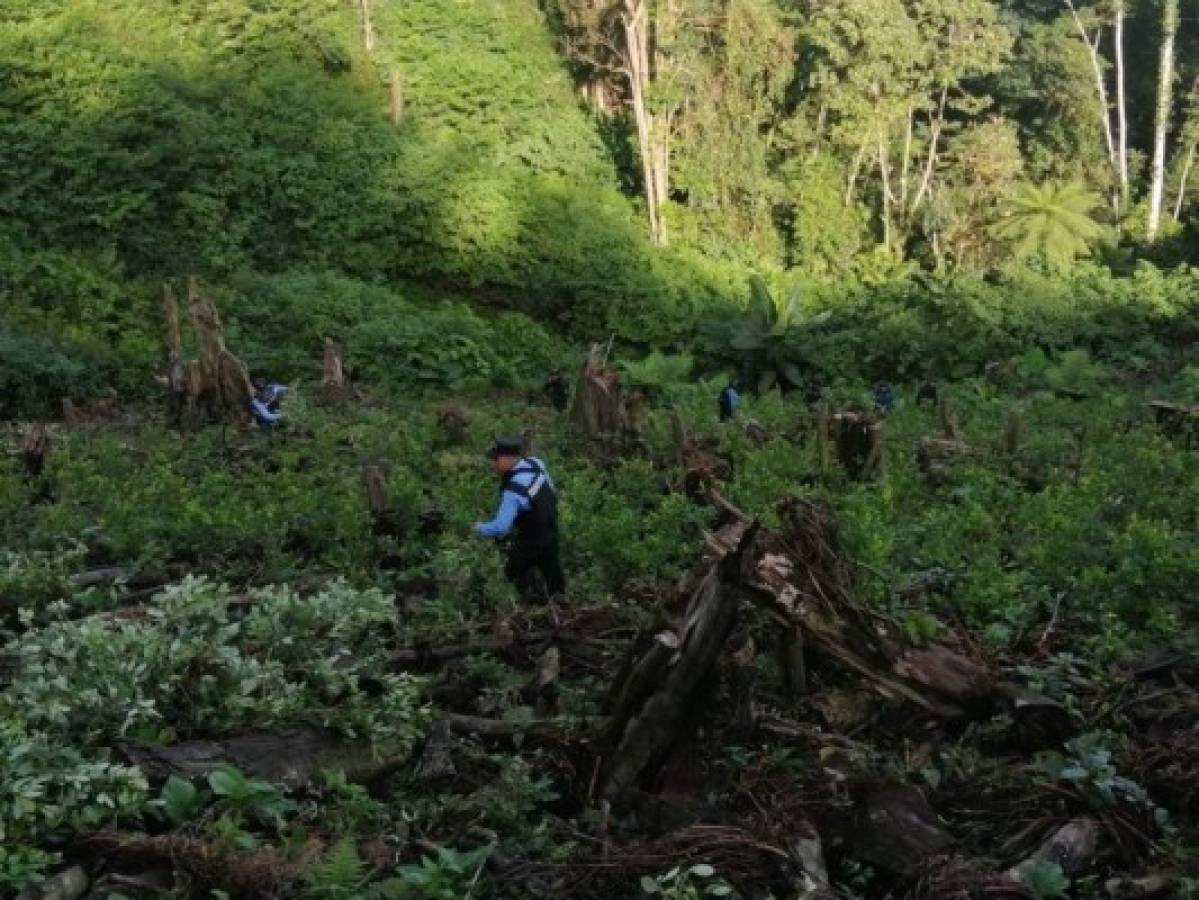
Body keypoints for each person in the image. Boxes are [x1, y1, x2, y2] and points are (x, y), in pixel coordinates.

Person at [475, 437, 565, 602]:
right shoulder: (536, 464)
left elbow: (501, 527)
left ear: (507, 458)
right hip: (552, 535)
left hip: (530, 543)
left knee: (510, 575)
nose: (492, 464)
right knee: (556, 587)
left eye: (495, 459)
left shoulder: (514, 490)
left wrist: (478, 528)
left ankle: (532, 607)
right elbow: (551, 491)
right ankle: (559, 611)